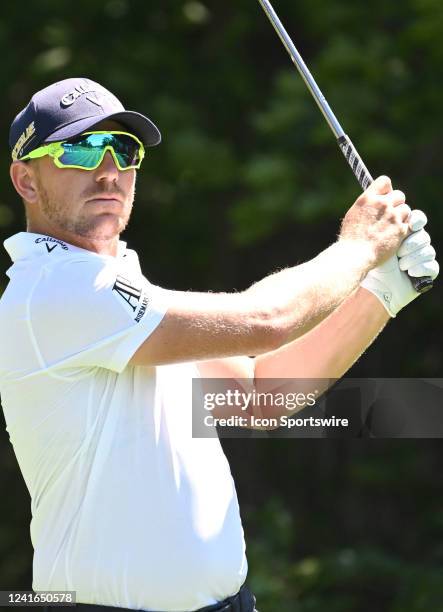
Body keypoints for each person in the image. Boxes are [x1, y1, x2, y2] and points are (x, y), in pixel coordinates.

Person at [0, 77, 438, 612]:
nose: (109, 170)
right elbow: (268, 319)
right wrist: (361, 246)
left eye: (125, 149)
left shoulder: (126, 293)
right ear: (26, 180)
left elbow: (262, 393)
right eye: (80, 149)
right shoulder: (54, 288)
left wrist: (382, 291)